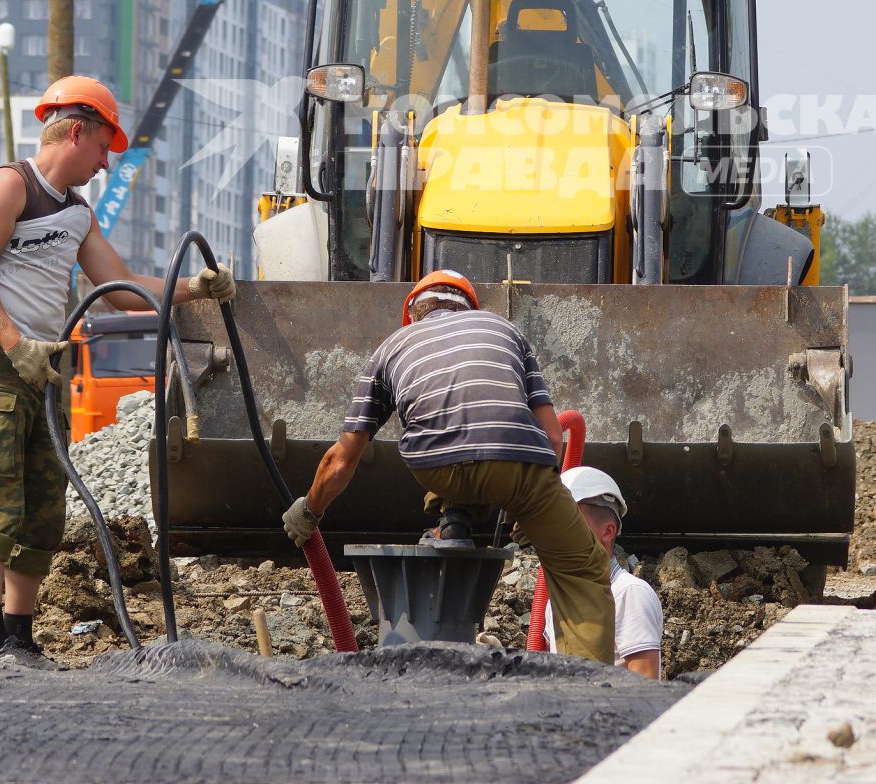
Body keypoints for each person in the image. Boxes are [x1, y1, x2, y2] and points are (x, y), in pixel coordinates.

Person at [0, 75, 234, 667]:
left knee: (45, 509)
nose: (105, 163)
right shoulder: (10, 186)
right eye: (103, 147)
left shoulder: (78, 214)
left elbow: (119, 292)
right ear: (76, 131)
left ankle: (21, 641)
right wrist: (16, 342)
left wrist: (194, 288)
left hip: (45, 369)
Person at [282, 269, 617, 664]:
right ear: (469, 309)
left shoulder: (390, 348)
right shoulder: (504, 331)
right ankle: (592, 692)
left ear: (412, 315)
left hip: (436, 467)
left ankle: (453, 515)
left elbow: (341, 460)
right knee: (584, 572)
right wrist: (527, 507)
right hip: (518, 469)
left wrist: (309, 510)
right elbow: (553, 437)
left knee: (442, 433)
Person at [544, 466, 663, 678]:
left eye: (572, 521)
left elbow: (645, 689)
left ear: (608, 531)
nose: (559, 530)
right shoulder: (558, 597)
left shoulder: (629, 593)